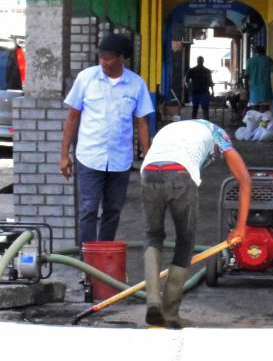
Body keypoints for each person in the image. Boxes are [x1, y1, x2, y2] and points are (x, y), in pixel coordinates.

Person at [140, 119, 251, 329]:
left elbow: (157, 159)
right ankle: (170, 313)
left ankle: (153, 301)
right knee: (185, 240)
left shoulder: (171, 129)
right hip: (180, 174)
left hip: (148, 173)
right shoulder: (218, 135)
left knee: (152, 236)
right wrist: (241, 226)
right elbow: (244, 179)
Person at [60, 33, 155, 244]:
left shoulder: (136, 84)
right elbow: (72, 117)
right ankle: (87, 263)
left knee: (112, 210)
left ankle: (103, 255)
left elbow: (142, 123)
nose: (104, 62)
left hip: (120, 160)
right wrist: (64, 155)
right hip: (89, 157)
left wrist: (148, 158)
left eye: (109, 57)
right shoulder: (86, 78)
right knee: (88, 209)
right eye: (101, 57)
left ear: (122, 57)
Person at [244, 45, 273, 111]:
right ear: (264, 51)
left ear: (255, 52)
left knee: (254, 113)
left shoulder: (250, 61)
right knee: (264, 115)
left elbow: (246, 76)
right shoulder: (268, 60)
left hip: (253, 92)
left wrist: (246, 89)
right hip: (265, 92)